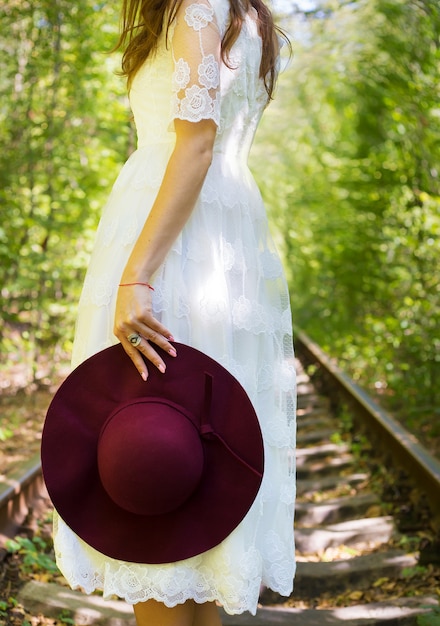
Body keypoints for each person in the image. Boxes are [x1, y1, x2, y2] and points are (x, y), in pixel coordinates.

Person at [51, 0, 297, 622]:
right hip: (221, 238)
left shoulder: (194, 5)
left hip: (175, 249)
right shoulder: (242, 12)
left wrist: (136, 274)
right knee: (197, 480)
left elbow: (195, 140)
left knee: (151, 465)